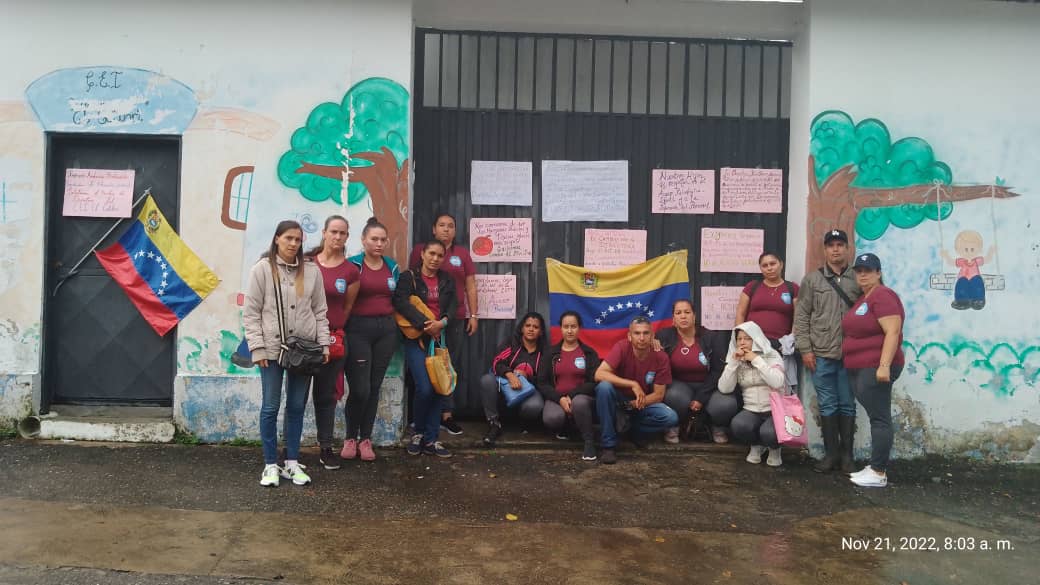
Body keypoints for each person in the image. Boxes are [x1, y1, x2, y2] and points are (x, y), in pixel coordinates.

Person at [244, 220, 330, 487]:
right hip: (270, 350)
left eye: (298, 239)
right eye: (289, 238)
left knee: (296, 406)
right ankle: (270, 464)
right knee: (270, 407)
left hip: (303, 351)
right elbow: (251, 313)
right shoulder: (262, 270)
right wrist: (257, 348)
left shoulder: (312, 272)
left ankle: (291, 463)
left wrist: (324, 344)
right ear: (277, 238)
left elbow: (320, 312)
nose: (293, 243)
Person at [793, 229, 862, 473]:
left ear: (847, 248)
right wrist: (805, 350)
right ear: (824, 250)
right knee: (828, 404)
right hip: (821, 354)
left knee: (847, 404)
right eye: (831, 245)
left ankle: (847, 457)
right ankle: (830, 455)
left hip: (851, 355)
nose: (836, 249)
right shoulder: (812, 280)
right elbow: (801, 317)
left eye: (840, 245)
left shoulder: (859, 278)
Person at [408, 213, 478, 435]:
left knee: (447, 366)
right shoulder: (421, 249)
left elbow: (470, 286)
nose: (446, 229)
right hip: (423, 320)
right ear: (433, 229)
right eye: (442, 225)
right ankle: (418, 417)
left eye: (451, 226)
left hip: (452, 319)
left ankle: (446, 415)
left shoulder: (462, 254)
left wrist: (473, 315)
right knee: (422, 368)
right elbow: (411, 281)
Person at [842, 253, 905, 488]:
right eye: (859, 271)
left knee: (880, 419)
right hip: (861, 367)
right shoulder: (865, 299)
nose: (863, 274)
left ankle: (878, 472)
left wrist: (884, 365)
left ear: (878, 273)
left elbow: (892, 332)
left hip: (876, 367)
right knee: (876, 417)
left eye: (868, 270)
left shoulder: (883, 295)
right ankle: (874, 467)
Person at [343, 217, 400, 462]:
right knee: (360, 389)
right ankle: (349, 438)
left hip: (386, 330)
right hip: (357, 329)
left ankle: (366, 439)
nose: (378, 244)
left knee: (374, 387)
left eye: (382, 240)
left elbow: (398, 298)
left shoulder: (392, 266)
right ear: (363, 240)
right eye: (373, 239)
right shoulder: (353, 265)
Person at [306, 215, 360, 471]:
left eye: (343, 233)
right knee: (296, 396)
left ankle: (326, 447)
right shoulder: (307, 264)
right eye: (334, 232)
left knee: (325, 396)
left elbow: (347, 307)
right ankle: (290, 450)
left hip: (334, 341)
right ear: (325, 233)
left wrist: (333, 330)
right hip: (304, 341)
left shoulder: (351, 271)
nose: (338, 237)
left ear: (347, 237)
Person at [395, 240, 458, 458]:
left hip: (440, 338)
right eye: (431, 253)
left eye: (440, 255)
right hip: (417, 339)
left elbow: (453, 306)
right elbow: (401, 302)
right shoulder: (408, 277)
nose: (435, 259)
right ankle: (418, 433)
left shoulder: (447, 280)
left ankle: (432, 439)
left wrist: (442, 323)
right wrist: (426, 324)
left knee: (440, 386)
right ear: (422, 254)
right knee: (424, 387)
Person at [593, 316, 679, 464]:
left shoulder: (661, 356)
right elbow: (599, 374)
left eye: (646, 333)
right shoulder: (621, 347)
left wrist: (633, 404)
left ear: (652, 336)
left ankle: (634, 430)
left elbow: (658, 395)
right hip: (618, 401)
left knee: (670, 417)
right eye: (637, 333)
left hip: (641, 403)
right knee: (604, 387)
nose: (641, 338)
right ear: (629, 336)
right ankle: (608, 445)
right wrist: (632, 384)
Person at [717, 321, 787, 467]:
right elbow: (724, 388)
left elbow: (778, 382)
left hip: (774, 411)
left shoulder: (771, 355)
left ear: (756, 338)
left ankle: (774, 448)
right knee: (739, 425)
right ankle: (756, 445)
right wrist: (734, 363)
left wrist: (756, 359)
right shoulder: (736, 358)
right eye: (739, 339)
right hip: (751, 410)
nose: (743, 342)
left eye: (747, 338)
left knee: (769, 433)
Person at [658, 300, 727, 443]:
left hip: (709, 385)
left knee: (726, 404)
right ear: (673, 319)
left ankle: (717, 426)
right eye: (678, 313)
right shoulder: (663, 336)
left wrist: (700, 398)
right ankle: (674, 426)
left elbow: (718, 371)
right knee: (674, 395)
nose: (683, 316)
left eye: (687, 312)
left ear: (694, 316)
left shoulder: (712, 337)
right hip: (679, 384)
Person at [535, 311, 600, 461]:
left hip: (581, 399)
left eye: (573, 326)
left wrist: (571, 395)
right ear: (561, 328)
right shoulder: (551, 353)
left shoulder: (589, 353)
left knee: (579, 403)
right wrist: (560, 399)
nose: (570, 330)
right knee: (552, 418)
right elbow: (542, 382)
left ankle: (589, 442)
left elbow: (594, 381)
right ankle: (568, 427)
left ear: (579, 328)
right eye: (566, 327)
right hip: (557, 398)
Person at [480, 312, 548, 447]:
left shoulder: (544, 351)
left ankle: (522, 422)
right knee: (487, 380)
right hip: (505, 386)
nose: (531, 329)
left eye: (535, 327)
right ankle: (494, 423)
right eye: (527, 325)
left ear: (540, 332)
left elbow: (545, 378)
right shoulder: (511, 343)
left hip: (528, 390)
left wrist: (527, 377)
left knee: (534, 406)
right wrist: (510, 375)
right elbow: (496, 363)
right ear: (522, 328)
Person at [735, 252, 799, 347]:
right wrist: (740, 338)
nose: (769, 268)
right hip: (752, 342)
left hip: (780, 344)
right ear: (761, 268)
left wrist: (791, 340)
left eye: (773, 264)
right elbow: (740, 313)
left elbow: (798, 317)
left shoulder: (793, 288)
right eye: (765, 265)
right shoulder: (752, 286)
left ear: (781, 264)